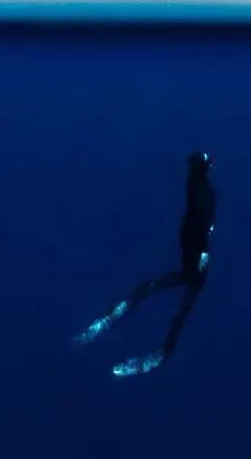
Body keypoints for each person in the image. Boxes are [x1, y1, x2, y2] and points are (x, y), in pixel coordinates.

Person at [74, 151, 216, 377]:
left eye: (191, 166)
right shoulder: (202, 191)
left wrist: (203, 254)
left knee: (174, 303)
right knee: (172, 302)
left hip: (195, 263)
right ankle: (155, 348)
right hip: (193, 260)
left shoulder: (200, 192)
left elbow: (205, 224)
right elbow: (207, 224)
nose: (187, 169)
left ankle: (160, 352)